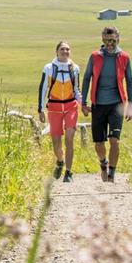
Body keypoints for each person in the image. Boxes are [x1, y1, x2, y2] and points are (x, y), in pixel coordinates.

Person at [81, 26, 132, 183]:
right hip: (98, 104)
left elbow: (130, 81)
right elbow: (86, 78)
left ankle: (112, 173)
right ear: (102, 39)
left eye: (113, 40)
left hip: (117, 104)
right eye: (106, 40)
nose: (110, 44)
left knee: (114, 140)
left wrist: (131, 104)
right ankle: (103, 163)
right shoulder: (95, 56)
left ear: (118, 38)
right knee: (99, 142)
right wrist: (83, 102)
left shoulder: (124, 57)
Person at [38, 40, 81, 183]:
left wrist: (85, 105)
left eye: (68, 49)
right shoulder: (49, 68)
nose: (65, 52)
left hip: (71, 106)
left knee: (69, 139)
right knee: (56, 142)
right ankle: (60, 161)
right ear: (56, 51)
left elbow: (76, 91)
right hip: (54, 108)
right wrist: (41, 109)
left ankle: (68, 172)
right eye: (62, 49)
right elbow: (43, 89)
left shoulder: (75, 68)